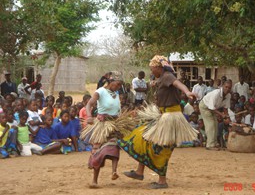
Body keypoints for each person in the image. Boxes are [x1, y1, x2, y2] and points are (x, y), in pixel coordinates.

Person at [118, 55, 198, 189]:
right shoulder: (161, 78)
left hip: (171, 117)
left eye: (152, 68)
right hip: (163, 115)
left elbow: (178, 84)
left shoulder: (167, 76)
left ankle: (162, 181)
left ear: (158, 67)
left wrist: (188, 92)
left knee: (162, 148)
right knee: (143, 137)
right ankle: (139, 171)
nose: (151, 71)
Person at [80, 74, 133, 188]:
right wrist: (89, 116)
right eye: (118, 84)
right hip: (102, 125)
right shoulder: (100, 91)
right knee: (98, 151)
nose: (119, 87)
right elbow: (89, 104)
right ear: (111, 81)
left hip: (114, 124)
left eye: (120, 85)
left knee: (114, 146)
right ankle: (94, 180)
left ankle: (114, 172)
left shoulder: (116, 93)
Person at [199, 80, 232, 150]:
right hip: (205, 107)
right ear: (223, 86)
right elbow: (211, 108)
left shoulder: (228, 95)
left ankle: (214, 143)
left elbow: (225, 108)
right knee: (210, 124)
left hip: (212, 108)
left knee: (215, 124)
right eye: (226, 87)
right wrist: (222, 115)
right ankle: (210, 145)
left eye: (229, 88)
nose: (227, 89)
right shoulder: (216, 93)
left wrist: (227, 118)